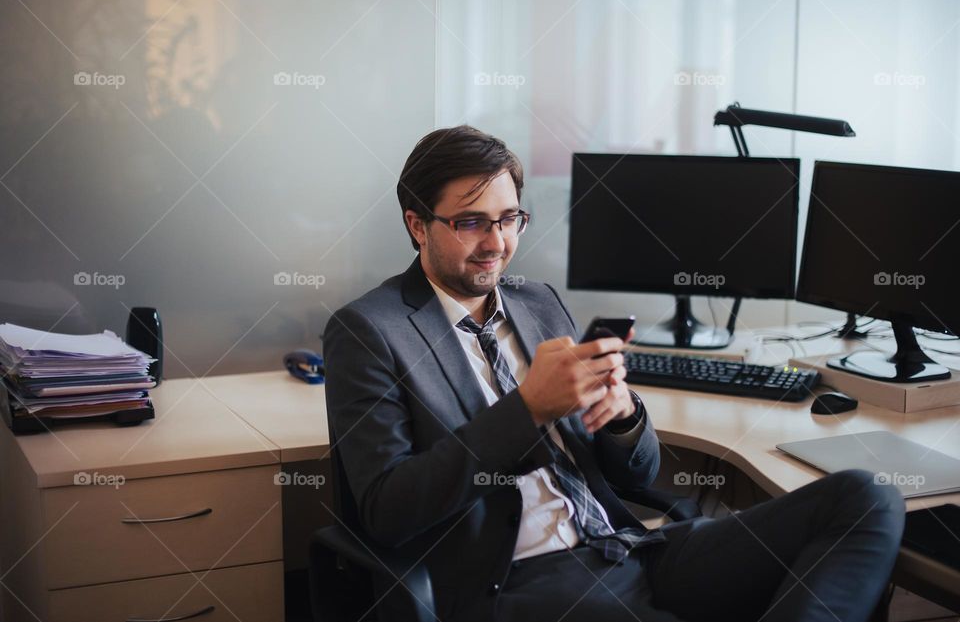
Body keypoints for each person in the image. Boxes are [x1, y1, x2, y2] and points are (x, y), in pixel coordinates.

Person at [323, 125, 905, 622]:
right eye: (471, 222)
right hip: (523, 582)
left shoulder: (538, 303)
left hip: (630, 550)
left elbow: (638, 473)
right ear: (418, 225)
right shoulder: (369, 331)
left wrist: (623, 418)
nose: (497, 243)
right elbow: (388, 511)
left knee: (866, 496)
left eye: (510, 219)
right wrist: (528, 410)